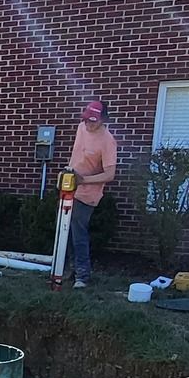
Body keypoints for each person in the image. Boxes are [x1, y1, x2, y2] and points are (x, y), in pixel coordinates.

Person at [67, 98, 116, 288]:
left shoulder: (108, 141)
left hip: (87, 194)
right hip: (70, 187)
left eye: (92, 121)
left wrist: (84, 181)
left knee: (78, 233)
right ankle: (67, 270)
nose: (88, 124)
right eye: (86, 119)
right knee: (65, 231)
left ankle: (82, 276)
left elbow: (110, 174)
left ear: (103, 120)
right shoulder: (81, 128)